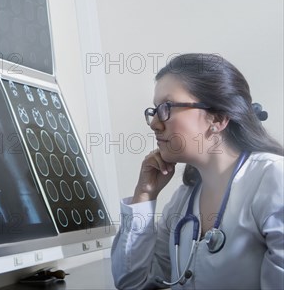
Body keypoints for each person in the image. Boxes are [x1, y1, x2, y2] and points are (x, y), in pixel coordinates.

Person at [111, 53, 284, 289]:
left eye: (166, 108)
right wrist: (144, 195)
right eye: (154, 110)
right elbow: (132, 284)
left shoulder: (274, 179)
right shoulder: (183, 200)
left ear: (218, 118)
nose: (154, 123)